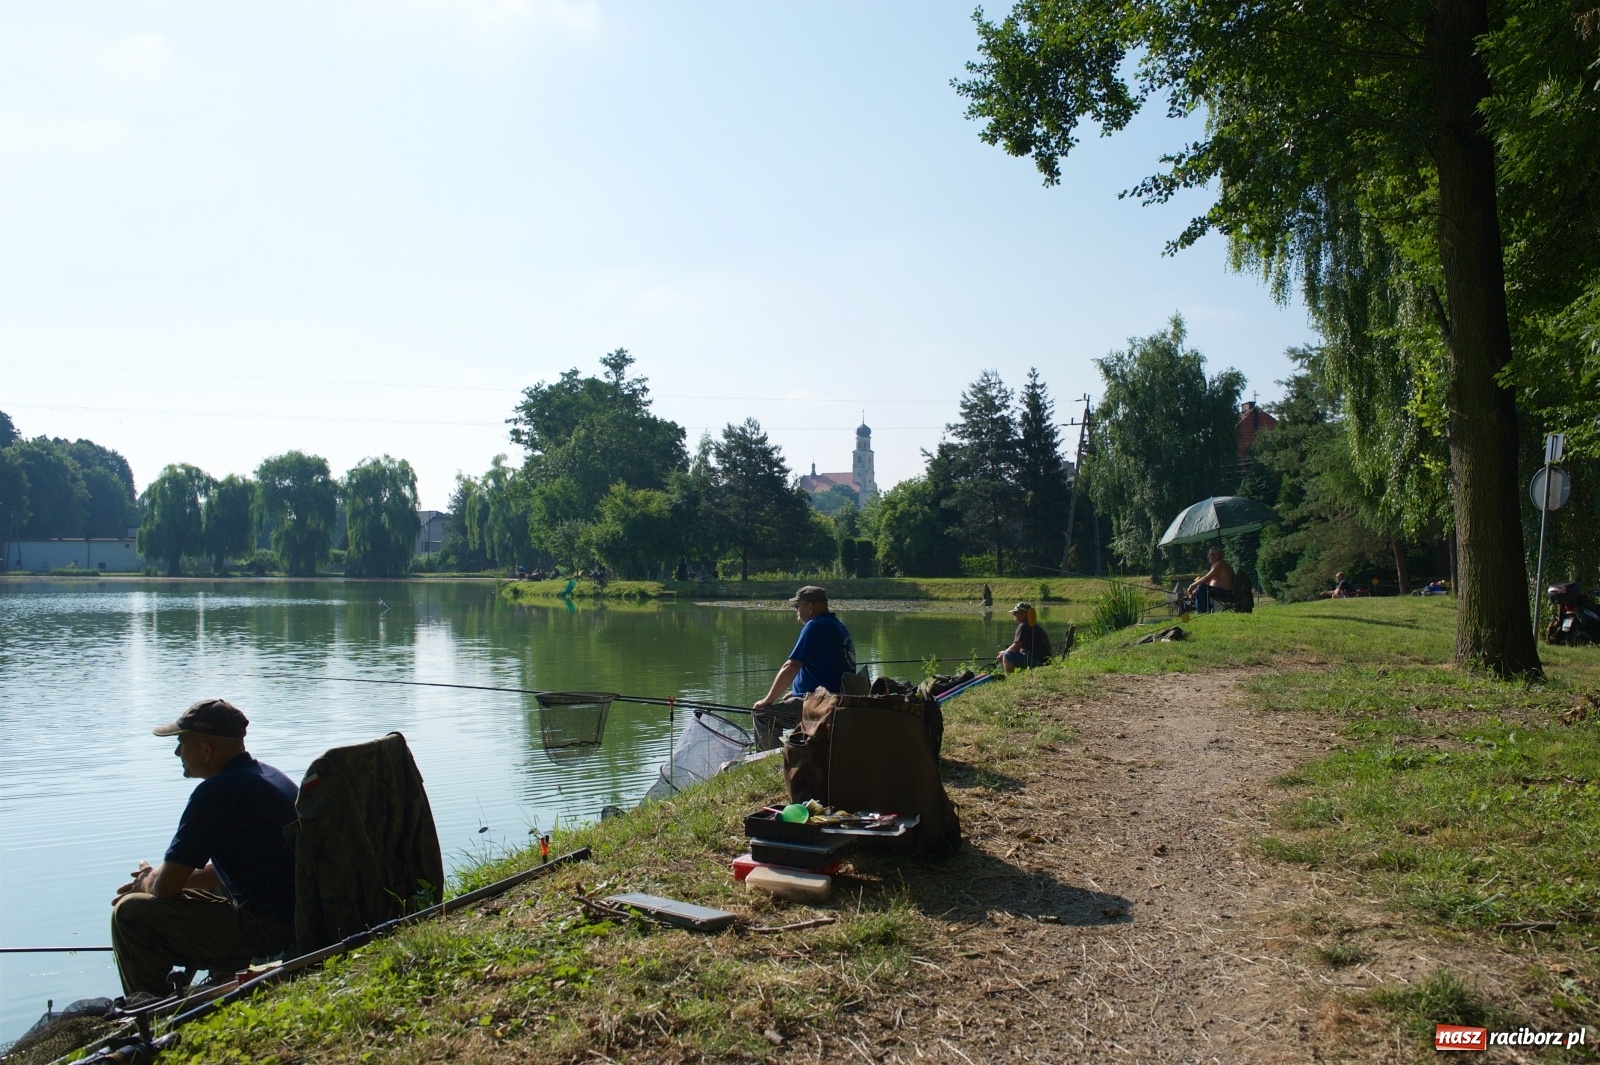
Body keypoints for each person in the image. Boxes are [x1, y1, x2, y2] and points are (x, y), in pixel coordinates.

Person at [111, 699, 298, 998]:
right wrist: (161, 876)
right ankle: (222, 974)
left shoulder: (213, 794)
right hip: (298, 915)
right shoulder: (270, 776)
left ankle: (149, 1010)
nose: (176, 752)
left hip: (270, 931)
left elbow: (164, 889)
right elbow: (253, 866)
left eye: (181, 743)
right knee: (208, 887)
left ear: (207, 750)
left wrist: (146, 879)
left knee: (129, 914)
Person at [751, 586, 857, 749]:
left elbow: (791, 667)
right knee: (781, 708)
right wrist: (796, 693)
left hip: (821, 703)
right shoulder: (837, 626)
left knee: (763, 715)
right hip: (834, 698)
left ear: (810, 607)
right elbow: (826, 669)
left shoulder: (815, 626)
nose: (796, 611)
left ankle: (772, 763)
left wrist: (768, 700)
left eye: (797, 606)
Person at [997, 602, 1052, 673]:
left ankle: (1010, 679)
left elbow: (1015, 647)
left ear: (1023, 615)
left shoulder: (1023, 626)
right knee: (1008, 653)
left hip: (1038, 662)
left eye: (1015, 613)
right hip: (1044, 661)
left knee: (1008, 655)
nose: (1014, 615)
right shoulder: (1033, 625)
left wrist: (1003, 653)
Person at [1186, 546, 1235, 613]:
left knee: (1202, 587)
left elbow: (1206, 578)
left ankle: (1202, 611)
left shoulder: (1220, 564)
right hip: (1220, 592)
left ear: (1216, 556)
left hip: (1227, 593)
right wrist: (1194, 591)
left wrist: (1192, 586)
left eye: (1209, 554)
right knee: (1200, 588)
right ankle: (1197, 609)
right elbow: (1208, 582)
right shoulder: (1215, 565)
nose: (1208, 556)